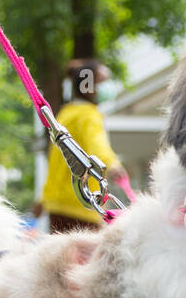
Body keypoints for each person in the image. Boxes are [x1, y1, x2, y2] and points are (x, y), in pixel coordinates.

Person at [34, 59, 128, 233]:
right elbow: (97, 145)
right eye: (103, 81)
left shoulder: (65, 114)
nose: (108, 86)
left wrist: (44, 199)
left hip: (57, 205)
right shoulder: (89, 115)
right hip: (81, 205)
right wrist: (113, 164)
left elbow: (56, 163)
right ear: (89, 85)